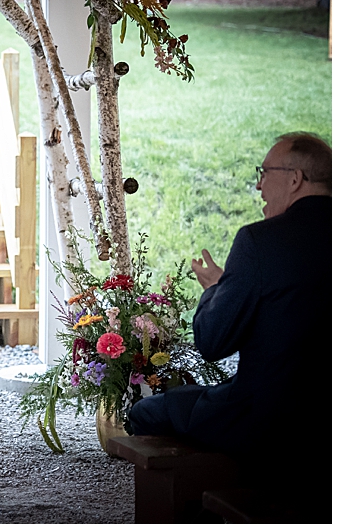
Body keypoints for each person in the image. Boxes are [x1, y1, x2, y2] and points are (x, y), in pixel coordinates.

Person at [127, 132, 331, 497]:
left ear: (295, 179)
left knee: (145, 413)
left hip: (269, 418)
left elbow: (212, 341)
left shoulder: (260, 241)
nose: (258, 186)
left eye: (265, 173)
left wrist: (216, 291)